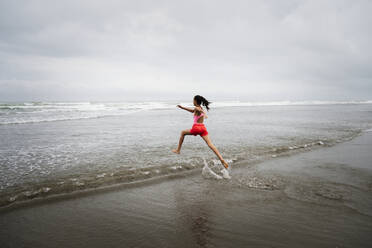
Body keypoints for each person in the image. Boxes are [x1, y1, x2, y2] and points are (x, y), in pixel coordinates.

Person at [172, 95, 231, 179]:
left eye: (193, 100)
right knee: (210, 144)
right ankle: (221, 159)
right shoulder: (199, 109)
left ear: (196, 101)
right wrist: (183, 108)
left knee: (182, 132)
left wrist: (202, 112)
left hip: (196, 128)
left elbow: (196, 110)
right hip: (203, 128)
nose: (192, 101)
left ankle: (178, 150)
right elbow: (193, 111)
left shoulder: (198, 108)